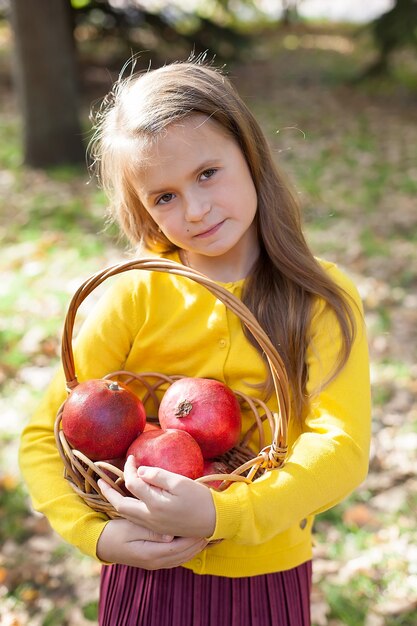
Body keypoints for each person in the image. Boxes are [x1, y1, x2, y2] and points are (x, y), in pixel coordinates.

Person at [19, 57, 371, 626]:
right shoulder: (135, 294)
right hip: (146, 568)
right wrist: (98, 536)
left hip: (263, 570)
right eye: (164, 197)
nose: (196, 210)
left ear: (249, 155)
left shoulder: (319, 298)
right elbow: (44, 432)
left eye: (208, 173)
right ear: (145, 210)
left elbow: (343, 448)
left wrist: (222, 513)